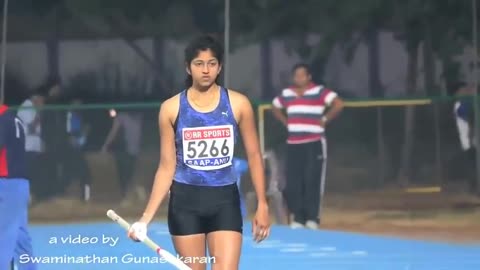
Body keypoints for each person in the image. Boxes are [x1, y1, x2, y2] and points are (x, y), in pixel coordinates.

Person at [127, 34, 270, 270]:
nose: (206, 70)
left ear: (220, 67)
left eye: (212, 63)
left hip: (225, 201)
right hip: (185, 205)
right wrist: (145, 219)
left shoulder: (238, 104)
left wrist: (263, 204)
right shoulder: (171, 109)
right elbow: (166, 167)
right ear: (188, 67)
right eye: (199, 64)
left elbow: (255, 156)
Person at [271, 63, 344, 229]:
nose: (299, 78)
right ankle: (298, 217)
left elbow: (338, 103)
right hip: (294, 143)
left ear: (308, 76)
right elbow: (275, 106)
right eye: (296, 75)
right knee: (294, 182)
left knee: (312, 179)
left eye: (302, 75)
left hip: (314, 142)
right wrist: (285, 121)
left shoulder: (318, 91)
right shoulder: (287, 94)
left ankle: (312, 218)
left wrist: (324, 120)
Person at [0, 104, 36, 270]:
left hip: (5, 183)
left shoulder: (2, 121)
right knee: (20, 238)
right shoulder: (15, 119)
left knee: (4, 239)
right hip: (20, 184)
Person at [448, 82, 477, 194]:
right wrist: (470, 136)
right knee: (473, 165)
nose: (465, 91)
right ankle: (474, 189)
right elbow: (468, 122)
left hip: (470, 141)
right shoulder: (460, 105)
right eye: (462, 90)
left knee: (472, 165)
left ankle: (473, 188)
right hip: (469, 142)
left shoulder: (464, 103)